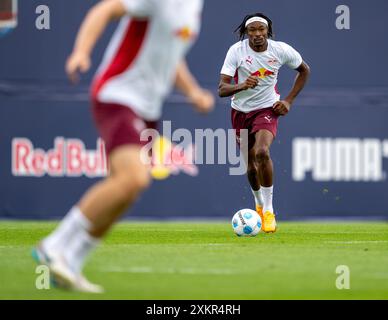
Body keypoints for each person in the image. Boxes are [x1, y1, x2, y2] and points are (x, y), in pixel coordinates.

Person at [32, 0, 214, 293]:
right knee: (133, 178)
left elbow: (171, 54)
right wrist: (81, 52)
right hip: (118, 95)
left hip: (147, 108)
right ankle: (55, 245)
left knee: (128, 189)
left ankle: (72, 263)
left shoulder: (192, 7)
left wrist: (193, 92)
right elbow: (104, 10)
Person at [218, 13, 310, 233]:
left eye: (261, 29)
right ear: (246, 32)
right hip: (240, 111)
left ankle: (268, 210)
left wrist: (288, 100)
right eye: (252, 30)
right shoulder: (236, 51)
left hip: (267, 108)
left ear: (268, 30)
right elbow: (222, 89)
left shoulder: (281, 50)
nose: (257, 34)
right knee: (250, 166)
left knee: (262, 152)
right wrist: (241, 86)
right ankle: (258, 204)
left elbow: (304, 70)